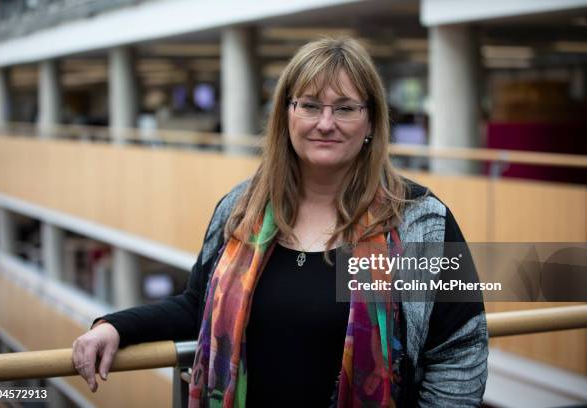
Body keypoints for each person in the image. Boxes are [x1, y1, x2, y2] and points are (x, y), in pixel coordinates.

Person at [72, 37, 488, 407]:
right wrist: (115, 328)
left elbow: (458, 352)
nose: (325, 123)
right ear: (286, 116)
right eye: (309, 105)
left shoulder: (418, 220)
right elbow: (197, 305)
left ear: (371, 122)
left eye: (345, 108)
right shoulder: (242, 208)